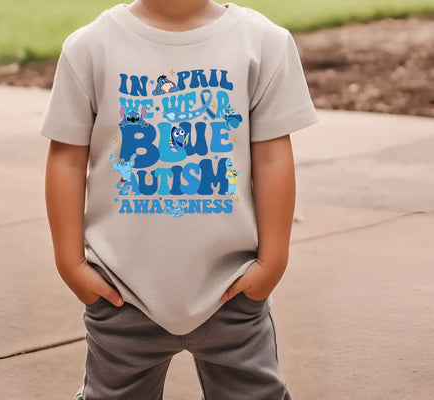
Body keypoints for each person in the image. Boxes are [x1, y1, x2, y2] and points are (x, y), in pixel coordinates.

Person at [38, 0, 319, 398]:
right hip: (121, 290)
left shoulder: (263, 43)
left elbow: (274, 157)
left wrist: (273, 260)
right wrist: (71, 263)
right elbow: (67, 158)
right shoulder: (91, 47)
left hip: (232, 288)